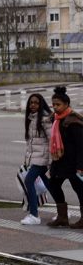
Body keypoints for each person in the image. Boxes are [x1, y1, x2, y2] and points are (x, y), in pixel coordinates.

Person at [46, 86, 83, 228]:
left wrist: (80, 166)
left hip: (73, 163)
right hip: (60, 161)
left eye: (58, 104)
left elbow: (81, 146)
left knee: (80, 189)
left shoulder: (73, 121)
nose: (55, 107)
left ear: (66, 105)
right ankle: (62, 217)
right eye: (53, 104)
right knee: (53, 184)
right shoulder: (56, 119)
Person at [20, 93, 53, 225]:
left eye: (36, 103)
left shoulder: (44, 119)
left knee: (29, 181)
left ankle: (34, 215)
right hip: (36, 158)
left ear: (41, 104)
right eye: (31, 103)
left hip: (43, 158)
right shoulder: (31, 118)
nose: (33, 105)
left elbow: (52, 140)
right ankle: (63, 210)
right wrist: (27, 159)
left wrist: (51, 161)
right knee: (50, 185)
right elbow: (31, 143)